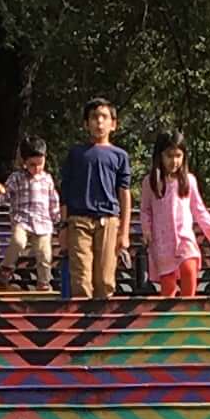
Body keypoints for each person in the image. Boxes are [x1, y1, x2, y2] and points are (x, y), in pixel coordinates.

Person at [136, 130, 210, 298]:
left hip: (184, 238)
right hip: (162, 241)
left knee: (189, 269)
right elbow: (146, 210)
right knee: (167, 287)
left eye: (178, 156)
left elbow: (199, 209)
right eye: (169, 156)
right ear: (159, 156)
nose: (174, 161)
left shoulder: (188, 180)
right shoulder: (151, 182)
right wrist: (146, 231)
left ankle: (188, 309)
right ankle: (169, 319)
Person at [63, 97, 130, 300]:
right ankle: (82, 326)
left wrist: (124, 232)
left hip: (108, 221)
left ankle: (103, 327)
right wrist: (63, 227)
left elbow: (124, 194)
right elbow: (65, 191)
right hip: (79, 221)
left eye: (104, 117)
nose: (99, 122)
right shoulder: (76, 154)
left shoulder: (120, 156)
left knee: (105, 279)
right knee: (81, 278)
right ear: (86, 124)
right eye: (94, 118)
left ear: (113, 124)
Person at [2, 133, 59, 288]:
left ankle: (44, 282)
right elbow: (5, 196)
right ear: (24, 162)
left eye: (40, 164)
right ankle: (6, 269)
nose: (37, 168)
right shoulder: (17, 177)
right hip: (22, 220)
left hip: (43, 223)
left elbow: (53, 199)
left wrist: (57, 217)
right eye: (32, 165)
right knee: (18, 242)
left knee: (45, 254)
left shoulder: (47, 178)